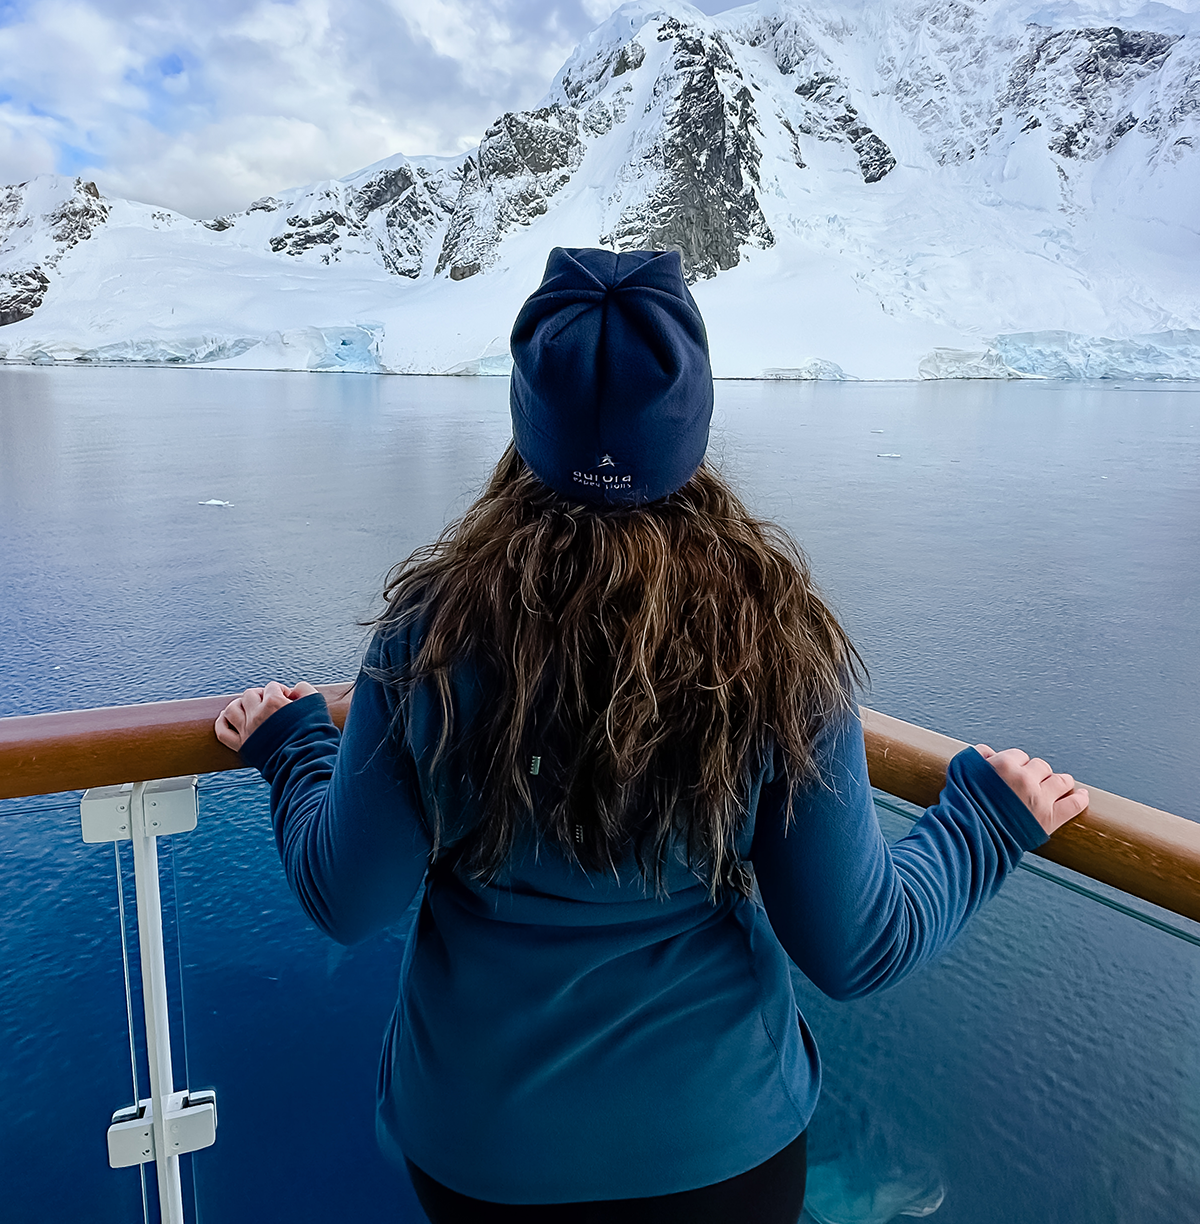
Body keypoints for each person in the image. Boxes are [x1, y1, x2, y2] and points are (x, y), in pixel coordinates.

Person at [215, 247, 1088, 1224]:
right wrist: (983, 823)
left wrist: (293, 747)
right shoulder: (773, 642)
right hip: (721, 1158)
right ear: (693, 423)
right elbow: (858, 948)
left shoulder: (430, 636)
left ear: (525, 422)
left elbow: (348, 897)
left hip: (481, 1154)